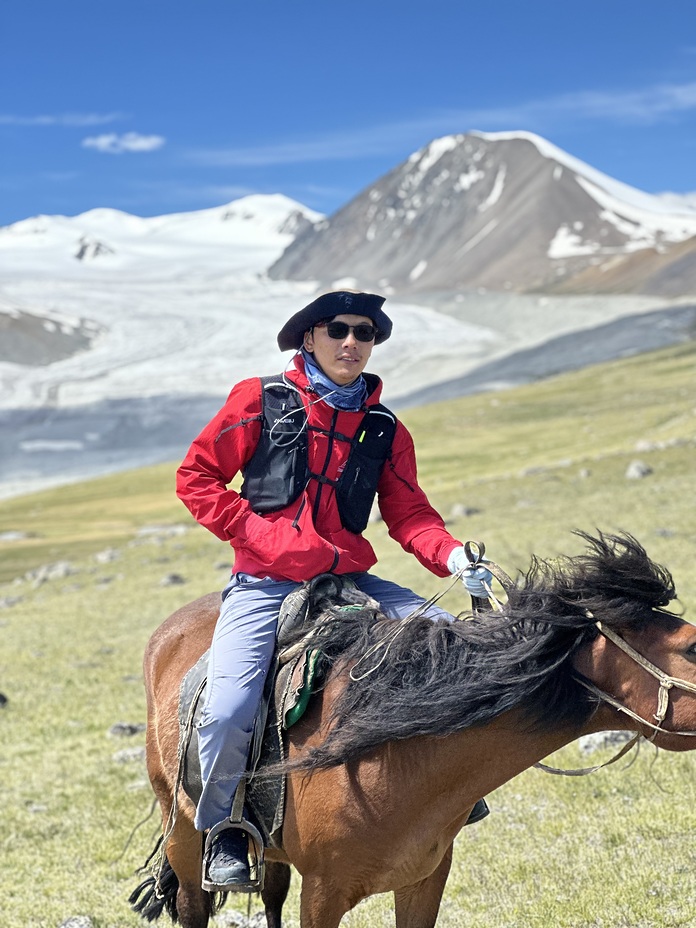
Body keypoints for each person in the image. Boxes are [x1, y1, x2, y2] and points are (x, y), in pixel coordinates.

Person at [176, 289, 492, 892]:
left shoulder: (384, 428)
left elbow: (410, 516)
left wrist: (453, 557)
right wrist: (265, 537)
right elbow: (196, 478)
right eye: (340, 330)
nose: (353, 343)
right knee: (227, 710)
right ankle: (226, 830)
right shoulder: (260, 399)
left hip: (350, 579)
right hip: (264, 584)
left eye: (365, 334)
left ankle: (449, 788)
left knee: (454, 650)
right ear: (310, 338)